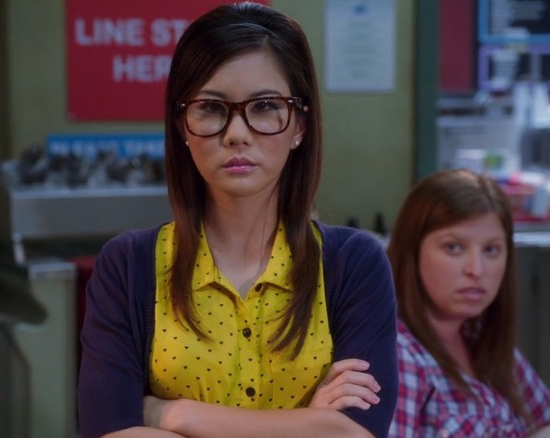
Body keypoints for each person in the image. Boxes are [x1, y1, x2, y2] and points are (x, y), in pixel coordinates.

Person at [77, 3, 398, 437]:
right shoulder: (128, 266)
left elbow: (357, 433)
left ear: (299, 125)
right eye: (211, 107)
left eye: (265, 106)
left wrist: (175, 415)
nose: (237, 133)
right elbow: (110, 430)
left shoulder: (354, 265)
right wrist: (308, 424)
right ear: (182, 126)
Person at [386, 168, 550, 437]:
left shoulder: (480, 338)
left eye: (491, 249)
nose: (476, 270)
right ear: (412, 251)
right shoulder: (399, 356)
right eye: (453, 247)